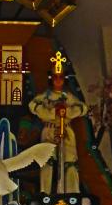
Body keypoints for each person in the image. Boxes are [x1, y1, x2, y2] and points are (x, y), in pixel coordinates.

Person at [28, 54, 88, 194]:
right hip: (49, 131)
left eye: (61, 77)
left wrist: (66, 112)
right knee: (47, 161)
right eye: (55, 77)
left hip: (66, 131)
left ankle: (72, 192)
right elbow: (33, 106)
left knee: (70, 162)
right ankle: (45, 193)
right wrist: (52, 112)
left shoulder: (68, 97)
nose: (58, 80)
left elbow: (82, 108)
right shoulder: (45, 96)